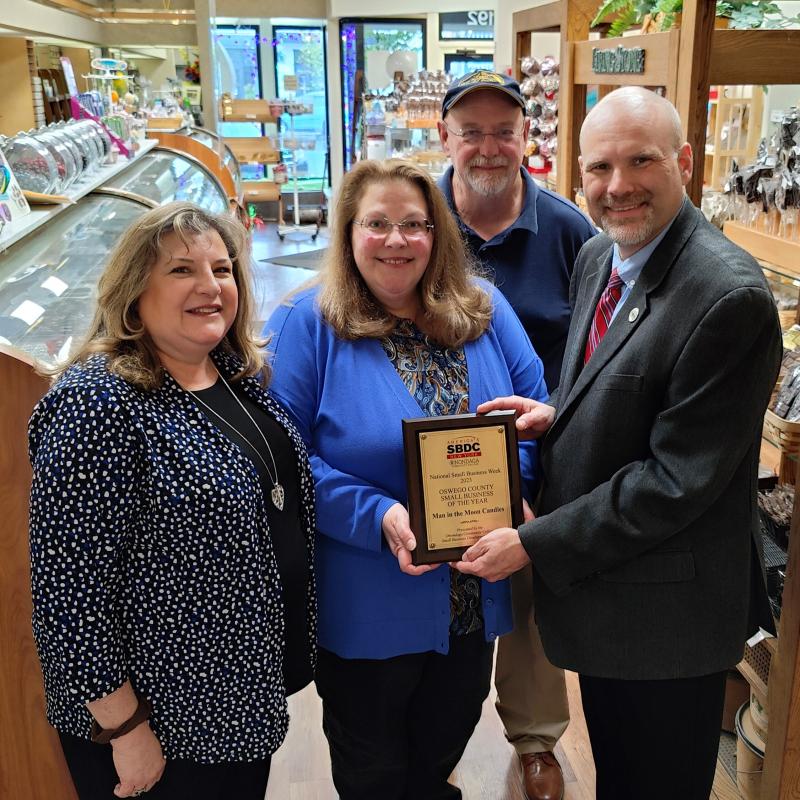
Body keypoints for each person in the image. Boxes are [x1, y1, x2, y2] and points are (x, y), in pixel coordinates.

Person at [454, 86, 782, 800]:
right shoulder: (602, 255)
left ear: (685, 162)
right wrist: (556, 412)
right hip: (613, 605)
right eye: (599, 168)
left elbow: (675, 482)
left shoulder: (728, 297)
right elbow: (624, 382)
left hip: (669, 620)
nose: (618, 186)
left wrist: (532, 543)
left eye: (642, 161)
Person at [264, 158, 548, 800]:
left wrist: (516, 495)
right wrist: (379, 516)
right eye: (378, 224)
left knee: (442, 744)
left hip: (474, 597)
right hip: (366, 602)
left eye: (415, 224)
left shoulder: (485, 309)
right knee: (373, 770)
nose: (397, 241)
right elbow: (282, 458)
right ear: (348, 232)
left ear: (437, 233)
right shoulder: (307, 324)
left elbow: (532, 414)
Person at [28, 202, 316, 800]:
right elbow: (69, 594)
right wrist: (125, 728)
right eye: (182, 271)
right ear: (135, 290)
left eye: (223, 268)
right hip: (160, 724)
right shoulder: (98, 405)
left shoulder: (230, 373)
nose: (210, 287)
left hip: (233, 704)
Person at [437, 69, 596, 800]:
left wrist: (555, 432)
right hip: (438, 465)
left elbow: (604, 352)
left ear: (526, 137)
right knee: (438, 604)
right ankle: (430, 738)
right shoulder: (416, 219)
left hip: (549, 454)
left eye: (504, 131)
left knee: (531, 606)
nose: (488, 147)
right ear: (446, 139)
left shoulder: (570, 231)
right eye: (472, 132)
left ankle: (535, 740)